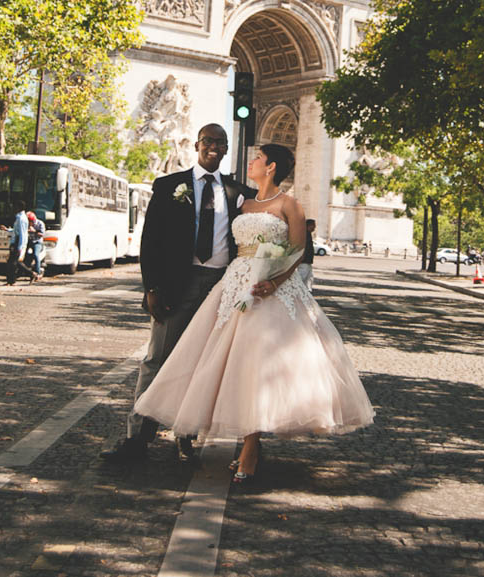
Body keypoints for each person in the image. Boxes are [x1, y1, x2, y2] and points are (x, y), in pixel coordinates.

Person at [135, 143, 374, 484]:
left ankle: (250, 447)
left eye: (258, 159)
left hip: (271, 292)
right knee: (230, 363)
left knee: (261, 364)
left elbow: (297, 252)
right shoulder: (241, 202)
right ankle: (226, 440)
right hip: (233, 286)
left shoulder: (290, 204)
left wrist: (273, 282)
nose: (252, 162)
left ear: (272, 167)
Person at [101, 122, 253, 465]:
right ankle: (136, 439)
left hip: (221, 288)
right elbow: (150, 241)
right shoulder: (169, 185)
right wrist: (151, 287)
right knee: (156, 361)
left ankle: (187, 435)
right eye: (207, 141)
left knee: (203, 363)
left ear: (227, 148)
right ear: (196, 146)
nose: (213, 147)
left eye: (220, 142)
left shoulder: (238, 192)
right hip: (175, 286)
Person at [1, 201, 36, 285]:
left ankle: (30, 274)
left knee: (14, 262)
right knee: (12, 262)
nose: (14, 208)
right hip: (15, 241)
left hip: (17, 242)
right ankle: (11, 280)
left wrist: (20, 247)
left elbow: (22, 233)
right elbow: (16, 231)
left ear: (19, 207)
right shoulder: (19, 217)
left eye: (15, 206)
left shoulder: (21, 218)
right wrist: (7, 230)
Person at [297, 218, 316, 291]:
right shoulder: (305, 234)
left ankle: (306, 290)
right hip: (304, 260)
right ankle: (298, 290)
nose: (314, 228)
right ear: (309, 225)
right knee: (302, 276)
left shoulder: (307, 234)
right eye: (313, 226)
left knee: (309, 277)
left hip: (307, 260)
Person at [27, 211, 45, 279]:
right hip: (29, 241)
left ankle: (37, 272)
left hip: (37, 242)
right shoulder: (27, 224)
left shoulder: (40, 223)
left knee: (36, 255)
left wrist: (34, 231)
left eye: (30, 221)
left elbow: (42, 234)